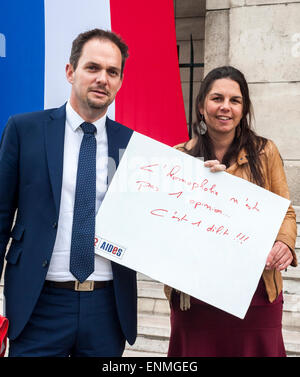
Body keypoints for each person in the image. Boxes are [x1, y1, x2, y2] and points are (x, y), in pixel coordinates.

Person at [0, 28, 137, 357]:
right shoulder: (24, 130)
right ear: (70, 71)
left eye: (112, 72)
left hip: (107, 307)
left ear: (119, 82)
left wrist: (207, 180)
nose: (102, 78)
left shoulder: (132, 145)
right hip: (38, 305)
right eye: (93, 68)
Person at [164, 66, 298, 357]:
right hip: (195, 300)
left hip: (256, 296)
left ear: (244, 108)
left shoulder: (265, 152)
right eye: (217, 98)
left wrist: (285, 242)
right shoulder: (179, 157)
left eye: (235, 100)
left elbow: (284, 212)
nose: (225, 107)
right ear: (201, 106)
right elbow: (165, 223)